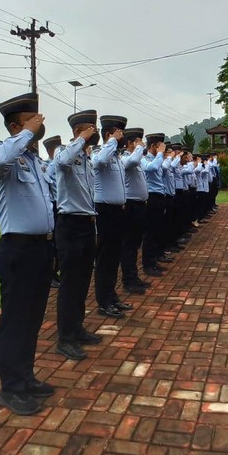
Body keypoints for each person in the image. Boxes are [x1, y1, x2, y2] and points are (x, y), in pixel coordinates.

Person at [0, 92, 55, 415]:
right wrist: (27, 132)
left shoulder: (34, 161)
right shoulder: (4, 156)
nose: (40, 123)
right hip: (17, 249)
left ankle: (26, 376)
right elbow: (1, 160)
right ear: (16, 125)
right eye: (32, 118)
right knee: (15, 319)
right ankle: (10, 388)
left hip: (42, 248)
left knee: (33, 318)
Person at [52, 110, 103, 361]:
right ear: (77, 131)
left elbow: (90, 197)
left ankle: (77, 328)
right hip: (69, 225)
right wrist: (80, 139)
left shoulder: (87, 159)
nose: (94, 133)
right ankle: (64, 338)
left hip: (86, 224)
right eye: (90, 129)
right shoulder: (65, 153)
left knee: (83, 282)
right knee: (69, 284)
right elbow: (60, 162)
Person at [92, 115, 133, 319]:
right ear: (108, 134)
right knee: (105, 259)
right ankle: (104, 301)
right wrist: (110, 142)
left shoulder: (116, 156)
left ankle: (112, 295)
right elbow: (99, 162)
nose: (122, 137)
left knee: (114, 257)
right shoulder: (100, 153)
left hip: (117, 212)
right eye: (119, 133)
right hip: (104, 212)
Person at [120, 128, 150, 293]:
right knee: (129, 245)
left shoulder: (136, 159)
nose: (142, 144)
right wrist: (139, 148)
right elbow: (131, 163)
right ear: (130, 143)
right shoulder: (125, 158)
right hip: (131, 206)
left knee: (135, 243)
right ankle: (128, 281)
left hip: (139, 205)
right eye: (138, 141)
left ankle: (134, 277)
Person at [141, 133, 168, 277]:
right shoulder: (144, 159)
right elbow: (151, 168)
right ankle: (147, 265)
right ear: (153, 146)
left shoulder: (158, 159)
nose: (162, 150)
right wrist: (160, 155)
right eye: (160, 146)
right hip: (151, 198)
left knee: (157, 230)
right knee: (149, 233)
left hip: (159, 196)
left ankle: (154, 260)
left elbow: (163, 171)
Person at [43, 135, 62, 288]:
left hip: (62, 206)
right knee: (53, 243)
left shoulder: (61, 163)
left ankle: (58, 271)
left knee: (60, 242)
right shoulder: (46, 166)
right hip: (53, 205)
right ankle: (51, 275)